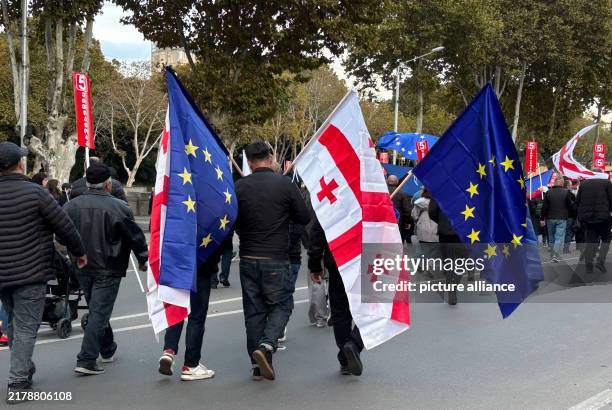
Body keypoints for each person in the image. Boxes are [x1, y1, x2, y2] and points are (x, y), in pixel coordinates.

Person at [0, 142, 87, 403]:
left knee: (15, 322)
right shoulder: (36, 193)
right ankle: (17, 381)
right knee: (26, 326)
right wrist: (78, 252)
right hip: (31, 271)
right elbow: (65, 226)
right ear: (20, 164)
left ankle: (23, 366)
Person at [234, 141, 310, 381]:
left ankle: (257, 365)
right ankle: (266, 346)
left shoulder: (239, 187)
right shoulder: (285, 185)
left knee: (254, 312)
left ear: (249, 162)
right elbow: (303, 216)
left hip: (248, 257)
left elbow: (231, 220)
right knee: (282, 305)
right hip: (276, 257)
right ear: (270, 157)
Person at [62, 162, 148, 375]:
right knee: (99, 312)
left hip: (81, 265)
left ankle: (107, 348)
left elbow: (60, 233)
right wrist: (143, 258)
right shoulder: (119, 207)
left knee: (97, 309)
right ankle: (87, 358)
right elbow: (135, 236)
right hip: (109, 266)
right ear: (108, 184)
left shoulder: (71, 206)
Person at [308, 216, 364, 376]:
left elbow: (317, 234)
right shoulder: (370, 196)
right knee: (373, 307)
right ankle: (354, 344)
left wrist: (315, 264)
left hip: (338, 260)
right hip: (365, 259)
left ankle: (345, 359)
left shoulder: (332, 200)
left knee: (340, 312)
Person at [158, 247, 222, 381]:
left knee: (177, 310)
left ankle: (169, 350)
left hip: (177, 262)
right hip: (202, 263)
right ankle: (190, 364)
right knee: (196, 317)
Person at [429, 197, 466, 305]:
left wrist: (441, 220)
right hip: (462, 231)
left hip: (444, 231)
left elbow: (431, 211)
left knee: (448, 261)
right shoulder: (466, 187)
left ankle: (450, 284)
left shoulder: (439, 188)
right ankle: (454, 284)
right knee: (461, 261)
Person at [575, 169, 612, 273]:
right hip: (603, 217)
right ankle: (600, 261)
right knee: (606, 238)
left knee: (590, 240)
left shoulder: (583, 184)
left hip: (588, 218)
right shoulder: (607, 183)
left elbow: (577, 201)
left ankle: (588, 264)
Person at [541, 176, 574, 262]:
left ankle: (553, 255)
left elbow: (544, 207)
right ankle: (555, 255)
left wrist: (542, 218)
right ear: (562, 183)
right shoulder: (566, 192)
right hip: (562, 218)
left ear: (555, 182)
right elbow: (570, 206)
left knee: (551, 237)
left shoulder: (548, 192)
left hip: (550, 218)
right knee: (559, 237)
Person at [411, 188, 439, 277]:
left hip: (422, 228)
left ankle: (420, 263)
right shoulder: (438, 202)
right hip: (436, 228)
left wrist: (418, 221)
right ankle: (429, 267)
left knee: (424, 249)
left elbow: (414, 215)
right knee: (435, 250)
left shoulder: (419, 202)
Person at [387, 174, 412, 242]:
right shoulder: (402, 193)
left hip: (384, 221)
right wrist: (407, 222)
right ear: (397, 182)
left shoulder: (383, 192)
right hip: (398, 222)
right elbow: (406, 209)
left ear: (387, 181)